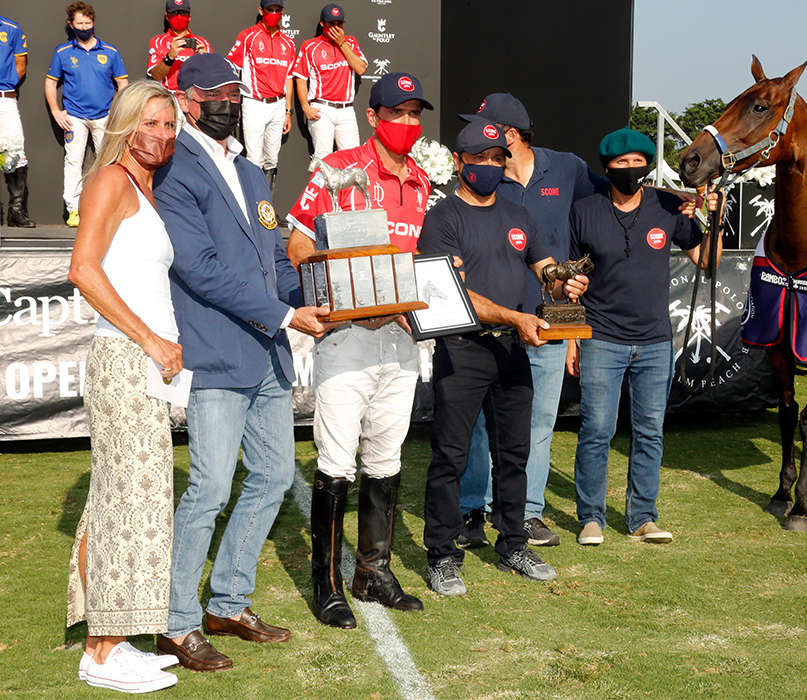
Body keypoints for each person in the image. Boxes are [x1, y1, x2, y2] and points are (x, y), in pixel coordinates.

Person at [152, 53, 334, 672]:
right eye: (217, 93)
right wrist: (286, 316)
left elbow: (277, 258)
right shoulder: (176, 171)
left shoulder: (255, 172)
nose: (229, 101)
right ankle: (175, 623)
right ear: (188, 102)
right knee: (208, 488)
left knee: (275, 477)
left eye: (235, 90)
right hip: (218, 350)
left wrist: (313, 297)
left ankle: (228, 600)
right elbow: (198, 270)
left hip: (267, 353)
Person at [417, 119, 588, 596]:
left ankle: (513, 541)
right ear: (459, 162)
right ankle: (442, 553)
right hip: (463, 348)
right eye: (480, 160)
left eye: (497, 159)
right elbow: (454, 295)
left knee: (513, 453)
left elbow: (545, 268)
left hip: (513, 349)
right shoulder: (443, 218)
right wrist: (515, 316)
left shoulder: (518, 215)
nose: (490, 167)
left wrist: (564, 282)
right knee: (450, 456)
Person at [286, 71, 433, 628]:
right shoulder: (334, 168)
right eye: (397, 113)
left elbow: (424, 261)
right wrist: (342, 285)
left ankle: (373, 571)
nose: (407, 124)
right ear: (374, 117)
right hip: (347, 338)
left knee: (387, 458)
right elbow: (298, 242)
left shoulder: (423, 179)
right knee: (335, 461)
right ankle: (325, 583)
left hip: (402, 339)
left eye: (415, 114)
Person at [66, 79, 184, 693]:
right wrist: (149, 339)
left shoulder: (147, 186)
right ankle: (104, 653)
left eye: (169, 125)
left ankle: (115, 639)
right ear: (126, 124)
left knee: (116, 502)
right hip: (124, 360)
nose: (161, 135)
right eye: (151, 124)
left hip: (142, 364)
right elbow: (82, 270)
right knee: (128, 507)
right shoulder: (111, 179)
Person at [455, 92, 602, 549]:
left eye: (490, 131)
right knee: (482, 424)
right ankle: (471, 511)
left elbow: (611, 202)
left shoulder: (568, 169)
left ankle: (527, 513)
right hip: (490, 322)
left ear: (511, 135)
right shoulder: (481, 179)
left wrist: (674, 204)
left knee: (539, 423)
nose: (482, 141)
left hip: (548, 323)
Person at [567, 128, 720, 546]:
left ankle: (642, 518)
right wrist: (572, 339)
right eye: (622, 163)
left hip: (656, 340)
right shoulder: (584, 211)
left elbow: (706, 260)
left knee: (650, 430)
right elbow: (572, 279)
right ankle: (591, 518)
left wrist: (712, 217)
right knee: (597, 429)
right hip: (601, 337)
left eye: (639, 162)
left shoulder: (669, 206)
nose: (632, 169)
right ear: (607, 168)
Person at [45, 1, 128, 227]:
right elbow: (51, 82)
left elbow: (123, 83)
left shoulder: (110, 51)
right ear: (71, 25)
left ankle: (109, 208)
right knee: (73, 162)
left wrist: (117, 111)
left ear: (93, 23)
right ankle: (73, 210)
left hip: (104, 116)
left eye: (88, 23)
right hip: (74, 116)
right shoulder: (62, 52)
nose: (84, 27)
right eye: (79, 23)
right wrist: (55, 111)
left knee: (109, 163)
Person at [226, 0, 296, 186]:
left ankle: (267, 208)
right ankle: (253, 208)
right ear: (261, 10)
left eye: (277, 10)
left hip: (279, 105)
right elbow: (233, 68)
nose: (274, 13)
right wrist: (234, 102)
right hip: (254, 103)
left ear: (282, 12)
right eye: (269, 10)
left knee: (272, 159)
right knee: (254, 159)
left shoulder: (288, 43)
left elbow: (289, 78)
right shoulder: (248, 36)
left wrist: (288, 111)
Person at [292, 3, 366, 161]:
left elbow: (360, 69)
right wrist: (306, 107)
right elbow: (301, 79)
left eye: (339, 24)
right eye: (331, 24)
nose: (336, 28)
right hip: (321, 109)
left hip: (346, 110)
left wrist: (342, 43)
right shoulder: (310, 46)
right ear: (322, 24)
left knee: (353, 161)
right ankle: (319, 187)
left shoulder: (350, 42)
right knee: (323, 161)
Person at [0, 13, 36, 227]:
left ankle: (16, 211)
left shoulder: (11, 28)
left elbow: (20, 64)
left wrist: (7, 84)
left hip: (5, 98)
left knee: (15, 153)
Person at [147, 0, 211, 92]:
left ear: (189, 17)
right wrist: (170, 57)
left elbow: (213, 77)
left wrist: (204, 60)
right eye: (174, 13)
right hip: (169, 97)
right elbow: (155, 76)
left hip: (195, 98)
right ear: (167, 16)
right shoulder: (158, 42)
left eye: (183, 13)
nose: (179, 16)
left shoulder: (202, 43)